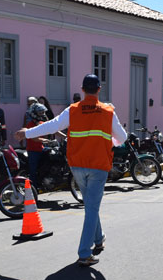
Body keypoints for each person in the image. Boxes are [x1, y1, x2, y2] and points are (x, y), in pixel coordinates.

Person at [15, 74, 127, 266]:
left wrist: (27, 132)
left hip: (77, 166)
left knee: (91, 205)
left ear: (82, 89)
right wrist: (111, 141)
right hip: (98, 166)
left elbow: (53, 125)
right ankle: (84, 253)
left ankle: (98, 239)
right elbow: (122, 138)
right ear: (99, 89)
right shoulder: (108, 111)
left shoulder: (73, 110)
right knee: (92, 207)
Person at [23, 103, 50, 189]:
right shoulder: (30, 125)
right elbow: (34, 139)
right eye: (40, 112)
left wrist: (65, 136)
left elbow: (52, 129)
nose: (42, 114)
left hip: (41, 149)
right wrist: (46, 140)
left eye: (43, 112)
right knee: (33, 171)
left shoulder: (41, 123)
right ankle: (33, 189)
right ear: (34, 113)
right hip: (33, 151)